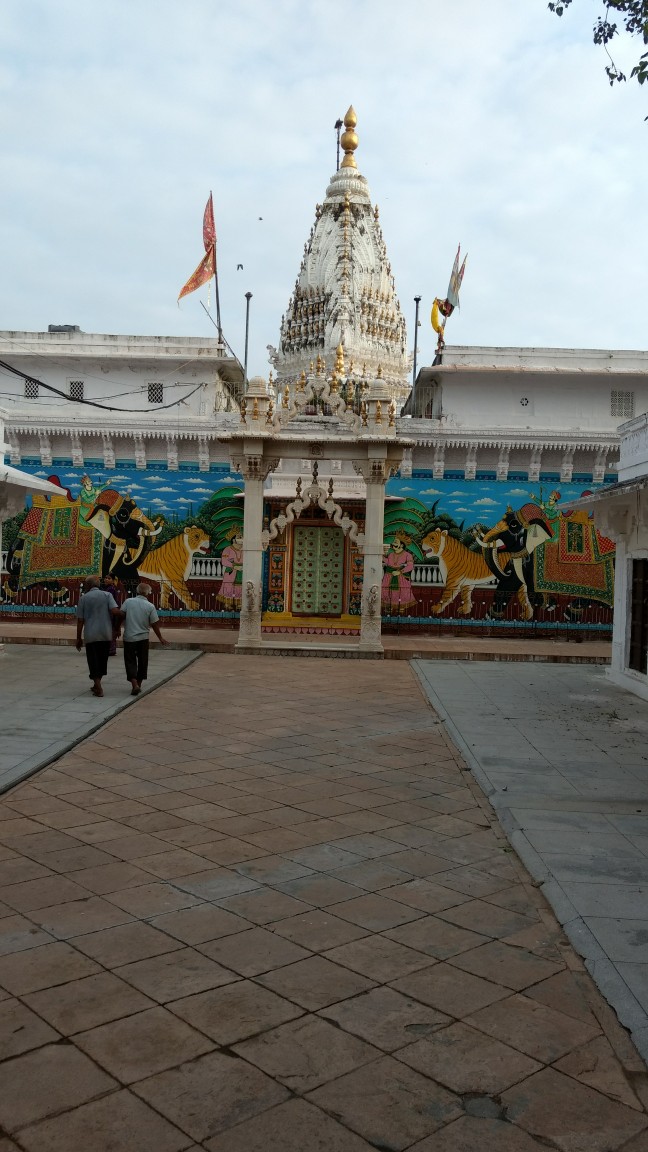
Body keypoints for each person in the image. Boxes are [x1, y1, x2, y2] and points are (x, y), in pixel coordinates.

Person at [76, 574, 121, 697]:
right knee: (102, 659)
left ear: (88, 585)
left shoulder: (83, 598)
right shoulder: (107, 595)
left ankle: (98, 686)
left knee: (93, 659)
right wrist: (122, 618)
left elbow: (80, 620)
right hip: (105, 632)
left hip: (91, 633)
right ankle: (97, 684)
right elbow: (115, 611)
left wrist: (78, 638)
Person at [119, 582, 168, 696]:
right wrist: (160, 637)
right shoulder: (150, 606)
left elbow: (121, 615)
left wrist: (116, 629)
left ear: (137, 591)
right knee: (142, 661)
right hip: (143, 638)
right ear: (148, 593)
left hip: (129, 637)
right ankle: (138, 684)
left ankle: (134, 684)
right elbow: (154, 624)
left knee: (130, 660)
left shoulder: (128, 602)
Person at [102, 573, 123, 656]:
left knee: (110, 629)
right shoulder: (107, 588)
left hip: (110, 612)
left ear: (113, 580)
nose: (106, 579)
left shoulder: (111, 589)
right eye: (105, 578)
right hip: (109, 611)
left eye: (109, 578)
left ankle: (110, 649)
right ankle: (110, 649)